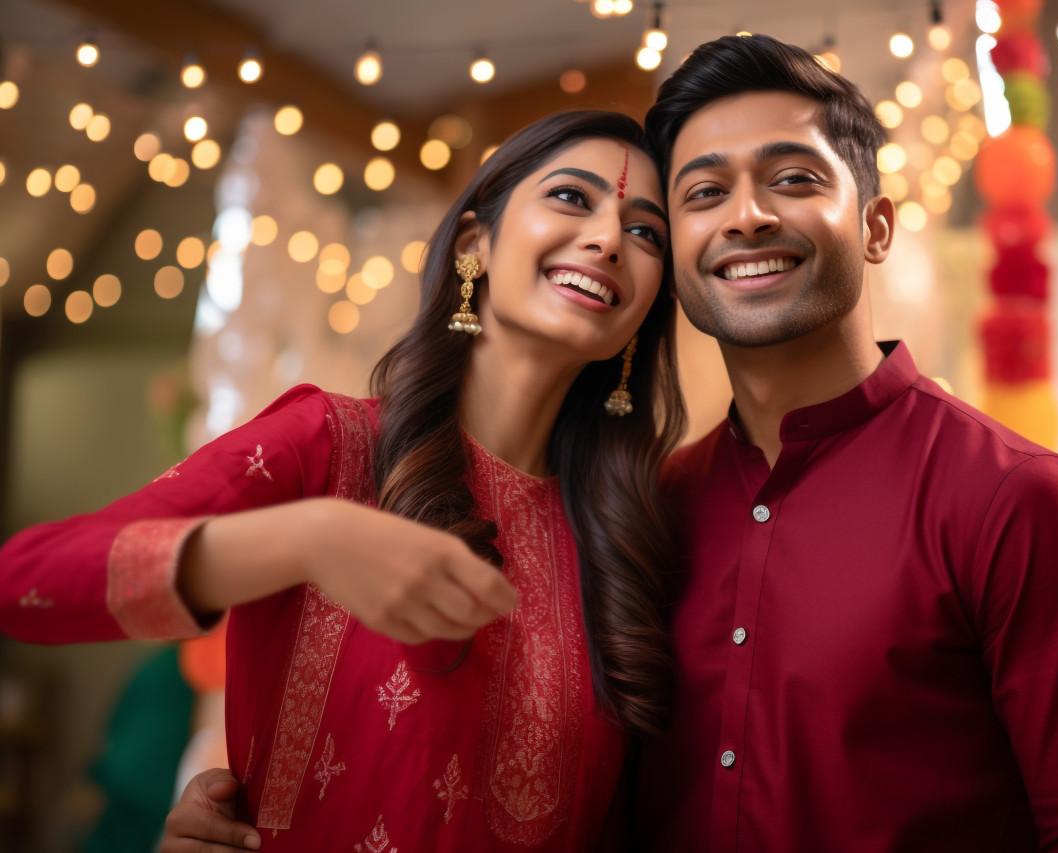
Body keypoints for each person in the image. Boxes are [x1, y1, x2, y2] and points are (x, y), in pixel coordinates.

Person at [161, 33, 1058, 853]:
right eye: (700, 193)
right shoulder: (642, 516)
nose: (745, 217)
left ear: (874, 226)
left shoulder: (1019, 506)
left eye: (792, 178)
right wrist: (259, 813)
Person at [0, 109, 686, 852]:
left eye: (646, 232)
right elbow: (26, 581)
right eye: (572, 197)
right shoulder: (325, 445)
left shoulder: (629, 533)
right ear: (473, 245)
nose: (610, 239)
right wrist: (307, 539)